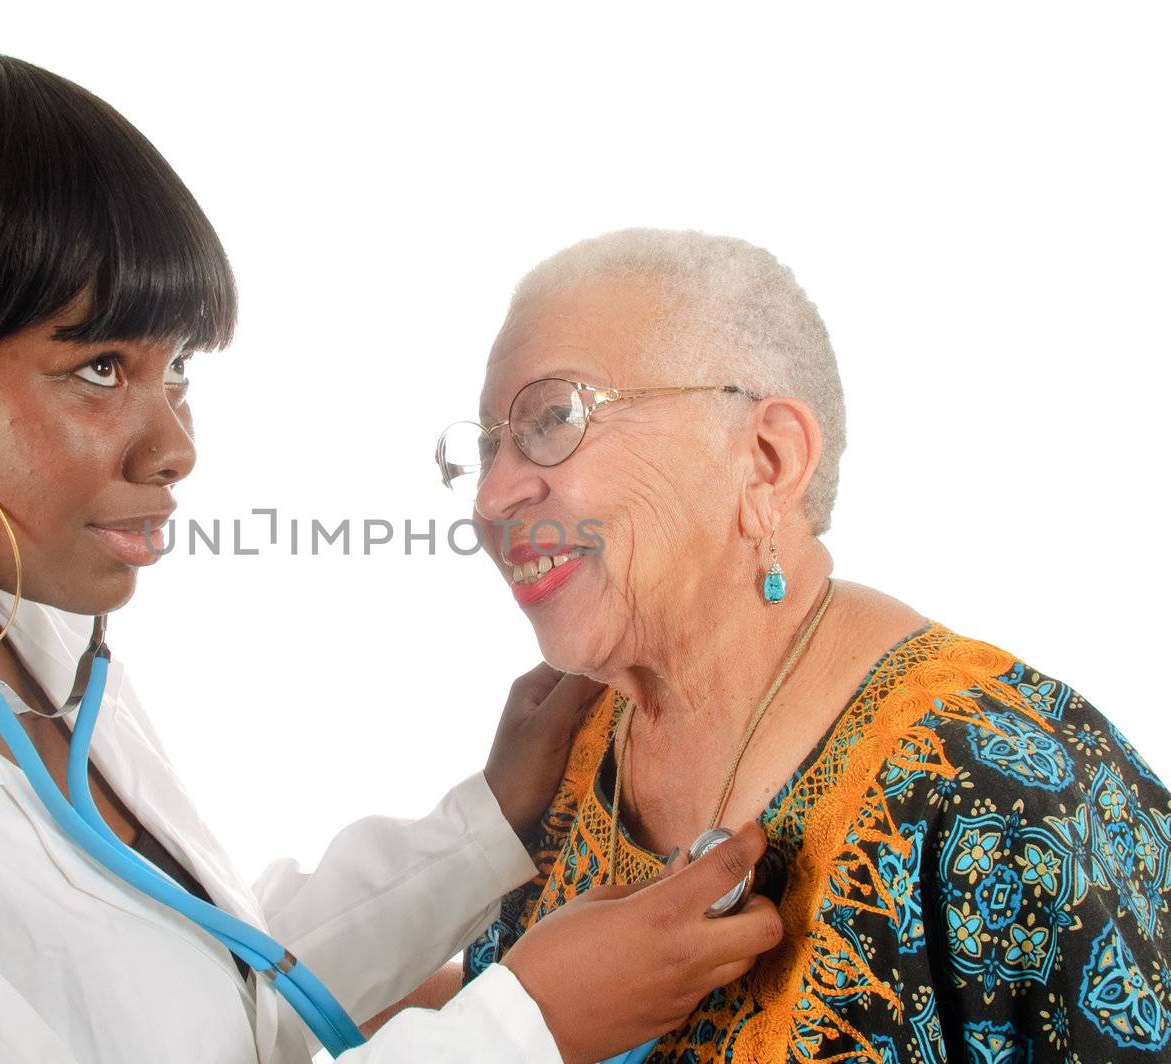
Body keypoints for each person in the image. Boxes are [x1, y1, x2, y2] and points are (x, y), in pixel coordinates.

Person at [0, 53, 783, 1064]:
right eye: (98, 369)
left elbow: (202, 999)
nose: (177, 447)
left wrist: (484, 824)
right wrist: (521, 1030)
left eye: (178, 369)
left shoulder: (18, 634)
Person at [412, 227, 1171, 1060]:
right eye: (488, 446)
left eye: (552, 418)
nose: (489, 496)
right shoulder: (561, 766)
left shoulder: (1012, 790)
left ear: (769, 461)